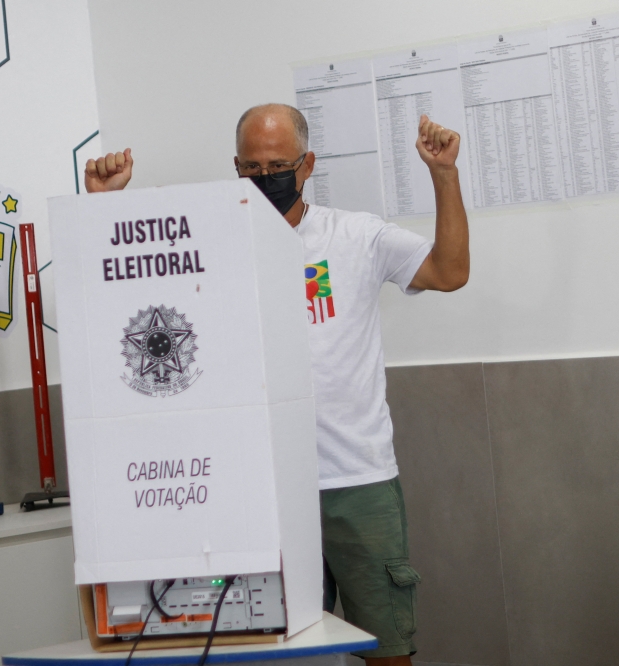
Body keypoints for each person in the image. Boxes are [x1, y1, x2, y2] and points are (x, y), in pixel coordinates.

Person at [84, 104, 469, 666]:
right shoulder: (211, 247)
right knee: (281, 654)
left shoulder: (354, 235)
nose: (266, 177)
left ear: (307, 164)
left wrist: (444, 174)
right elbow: (132, 288)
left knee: (386, 651)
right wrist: (105, 207)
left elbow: (450, 272)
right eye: (253, 167)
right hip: (262, 491)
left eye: (279, 165)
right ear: (237, 168)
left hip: (357, 481)